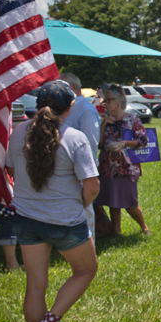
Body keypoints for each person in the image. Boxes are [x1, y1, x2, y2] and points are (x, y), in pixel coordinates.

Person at [5, 80, 100, 322]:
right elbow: (92, 186)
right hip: (65, 222)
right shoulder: (75, 138)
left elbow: (10, 169)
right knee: (85, 270)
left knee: (35, 285)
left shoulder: (17, 133)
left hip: (24, 218)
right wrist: (79, 206)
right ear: (69, 108)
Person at [94, 84, 151, 236]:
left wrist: (125, 143)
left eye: (108, 100)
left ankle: (144, 227)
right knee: (113, 201)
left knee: (130, 202)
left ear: (119, 101)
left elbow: (143, 141)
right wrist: (103, 126)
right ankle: (116, 232)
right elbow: (99, 144)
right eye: (104, 100)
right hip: (108, 167)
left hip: (126, 167)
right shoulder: (106, 121)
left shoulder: (132, 119)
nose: (105, 103)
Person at [59, 73, 102, 237]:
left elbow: (91, 142)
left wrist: (85, 170)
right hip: (66, 167)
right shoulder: (68, 107)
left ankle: (88, 243)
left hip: (82, 168)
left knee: (85, 209)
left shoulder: (86, 109)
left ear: (70, 89)